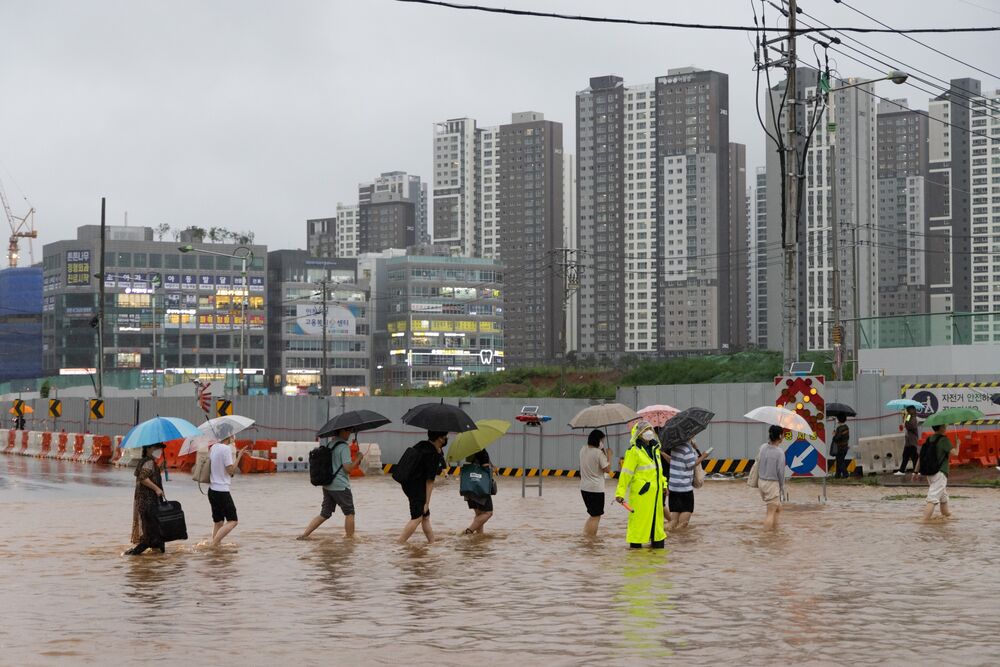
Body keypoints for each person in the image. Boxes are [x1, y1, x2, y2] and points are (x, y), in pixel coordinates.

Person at [299, 427, 359, 540]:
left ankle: (304, 535)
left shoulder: (330, 444)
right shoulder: (344, 447)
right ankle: (350, 540)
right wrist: (358, 458)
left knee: (324, 513)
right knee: (350, 513)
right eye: (348, 431)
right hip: (341, 486)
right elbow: (348, 468)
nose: (350, 434)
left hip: (327, 484)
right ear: (342, 431)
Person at [614, 420, 666, 549]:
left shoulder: (655, 450)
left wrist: (664, 485)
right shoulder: (633, 451)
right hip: (641, 495)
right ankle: (636, 557)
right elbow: (626, 474)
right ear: (638, 433)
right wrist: (620, 493)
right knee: (639, 525)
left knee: (657, 528)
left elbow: (659, 471)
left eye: (649, 429)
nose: (648, 432)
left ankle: (656, 560)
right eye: (644, 430)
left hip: (656, 495)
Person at [398, 431, 447, 545]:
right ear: (439, 438)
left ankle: (432, 543)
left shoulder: (422, 444)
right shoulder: (432, 454)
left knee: (425, 517)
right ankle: (399, 543)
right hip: (417, 487)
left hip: (408, 483)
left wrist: (439, 453)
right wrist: (427, 503)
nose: (446, 439)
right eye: (445, 437)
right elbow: (430, 481)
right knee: (417, 517)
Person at [124, 444, 166, 555]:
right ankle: (132, 555)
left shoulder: (146, 461)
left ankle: (156, 560)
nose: (159, 450)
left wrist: (160, 468)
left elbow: (149, 476)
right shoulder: (149, 462)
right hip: (149, 503)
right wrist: (157, 489)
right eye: (156, 448)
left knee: (156, 536)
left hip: (145, 502)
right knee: (152, 536)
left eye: (160, 448)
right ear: (148, 449)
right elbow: (143, 478)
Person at [208, 434, 245, 547]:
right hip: (222, 491)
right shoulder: (226, 449)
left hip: (212, 490)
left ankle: (216, 549)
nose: (234, 437)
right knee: (233, 521)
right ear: (228, 436)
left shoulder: (214, 447)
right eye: (232, 435)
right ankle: (213, 545)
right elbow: (231, 471)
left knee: (218, 522)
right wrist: (239, 456)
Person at [663, 438, 708, 530]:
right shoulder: (687, 449)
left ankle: (665, 535)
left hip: (673, 488)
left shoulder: (675, 447)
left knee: (673, 522)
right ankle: (681, 540)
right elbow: (691, 465)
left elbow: (673, 462)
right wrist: (703, 456)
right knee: (684, 523)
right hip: (684, 488)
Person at [914, 424, 953, 520]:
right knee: (932, 499)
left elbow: (921, 457)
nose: (945, 427)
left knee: (943, 498)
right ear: (941, 428)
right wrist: (958, 444)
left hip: (930, 473)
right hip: (940, 473)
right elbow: (955, 452)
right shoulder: (944, 440)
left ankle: (946, 516)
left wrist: (915, 472)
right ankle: (924, 522)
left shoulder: (929, 439)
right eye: (944, 426)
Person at [580, 429, 611, 536]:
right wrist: (609, 455)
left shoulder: (583, 450)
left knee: (592, 515)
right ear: (598, 440)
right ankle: (591, 540)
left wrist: (603, 452)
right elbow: (607, 470)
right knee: (596, 516)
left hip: (584, 488)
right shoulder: (598, 454)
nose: (603, 442)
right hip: (596, 489)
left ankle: (585, 536)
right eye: (602, 440)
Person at [757, 425, 787, 530]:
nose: (783, 436)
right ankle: (767, 537)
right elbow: (781, 472)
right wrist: (782, 487)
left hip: (761, 482)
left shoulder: (762, 447)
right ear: (780, 436)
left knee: (778, 508)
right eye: (783, 434)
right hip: (772, 484)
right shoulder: (779, 453)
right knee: (770, 513)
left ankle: (775, 532)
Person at [460, 449, 494, 535]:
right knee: (488, 513)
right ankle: (468, 531)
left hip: (469, 487)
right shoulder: (482, 451)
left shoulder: (469, 452)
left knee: (479, 514)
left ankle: (479, 537)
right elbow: (486, 470)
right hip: (480, 488)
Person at [895, 406, 920, 475]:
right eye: (908, 409)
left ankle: (916, 471)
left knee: (914, 456)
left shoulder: (914, 418)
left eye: (910, 409)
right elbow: (906, 423)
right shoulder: (909, 416)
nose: (908, 411)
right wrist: (904, 418)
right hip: (908, 440)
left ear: (913, 410)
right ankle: (902, 470)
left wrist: (906, 424)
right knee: (905, 455)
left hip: (912, 440)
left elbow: (912, 426)